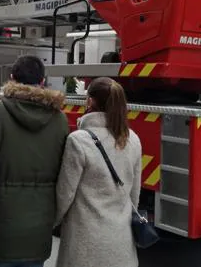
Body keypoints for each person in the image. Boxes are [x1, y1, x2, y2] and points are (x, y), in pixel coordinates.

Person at [0, 55, 69, 267]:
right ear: (42, 81)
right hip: (36, 237)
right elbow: (63, 178)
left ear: (11, 78)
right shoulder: (60, 120)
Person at [55, 77, 143, 267]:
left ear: (90, 101)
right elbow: (134, 196)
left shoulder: (79, 141)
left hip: (84, 242)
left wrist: (52, 222)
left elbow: (65, 195)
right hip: (121, 242)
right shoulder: (133, 139)